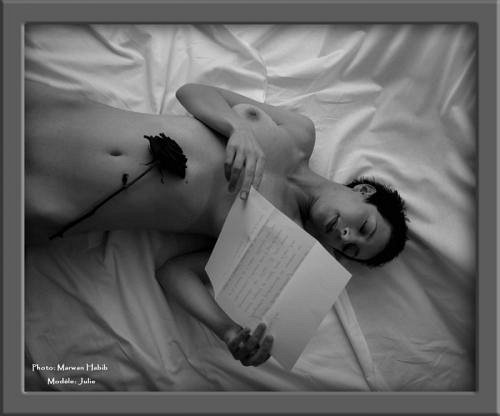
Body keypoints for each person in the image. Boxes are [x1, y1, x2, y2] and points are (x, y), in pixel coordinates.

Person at [26, 80, 409, 367]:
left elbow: (174, 274)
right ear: (364, 191)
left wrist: (227, 331)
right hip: (54, 113)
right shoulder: (298, 132)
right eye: (365, 227)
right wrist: (237, 129)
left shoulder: (277, 240)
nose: (345, 235)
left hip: (51, 202)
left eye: (349, 248)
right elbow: (192, 92)